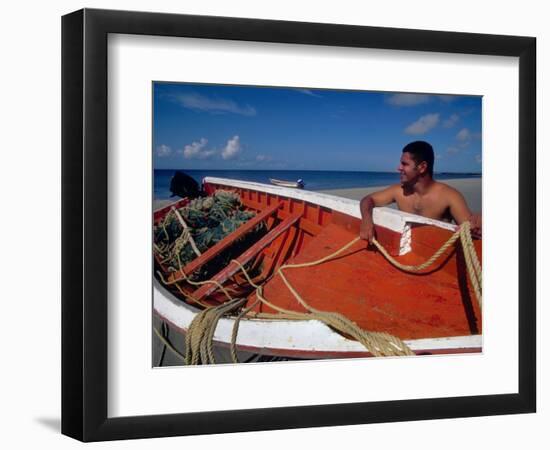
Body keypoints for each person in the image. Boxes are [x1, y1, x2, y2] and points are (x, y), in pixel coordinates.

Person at [359, 141, 481, 243]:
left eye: (404, 164)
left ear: (422, 167)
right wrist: (366, 220)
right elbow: (368, 200)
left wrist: (478, 223)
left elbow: (470, 229)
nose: (399, 168)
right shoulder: (398, 191)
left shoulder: (449, 196)